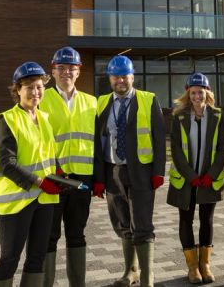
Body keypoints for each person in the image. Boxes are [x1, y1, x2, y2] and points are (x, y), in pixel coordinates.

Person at [93, 55, 167, 287]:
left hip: (142, 172)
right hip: (112, 171)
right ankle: (131, 271)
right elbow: (96, 141)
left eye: (125, 76)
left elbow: (158, 137)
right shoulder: (101, 103)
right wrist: (98, 177)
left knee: (142, 225)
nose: (120, 81)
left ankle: (147, 278)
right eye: (116, 76)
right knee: (122, 223)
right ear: (110, 79)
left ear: (132, 77)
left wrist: (158, 171)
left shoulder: (148, 99)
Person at [0, 62, 64, 287]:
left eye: (39, 87)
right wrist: (40, 182)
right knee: (10, 257)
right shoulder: (7, 120)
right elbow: (6, 163)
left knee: (37, 257)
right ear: (18, 90)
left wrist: (60, 173)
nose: (35, 92)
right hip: (17, 201)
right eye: (29, 87)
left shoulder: (45, 119)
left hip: (45, 199)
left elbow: (49, 154)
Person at [38, 47, 97, 286]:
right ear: (52, 71)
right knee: (49, 236)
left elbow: (99, 144)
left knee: (76, 234)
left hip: (82, 180)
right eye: (61, 67)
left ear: (78, 72)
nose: (66, 72)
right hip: (52, 180)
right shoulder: (41, 99)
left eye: (71, 68)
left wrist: (98, 178)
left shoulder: (91, 102)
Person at [167, 73, 224, 284]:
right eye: (193, 92)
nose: (197, 96)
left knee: (206, 221)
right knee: (185, 221)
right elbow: (175, 149)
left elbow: (222, 148)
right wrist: (191, 176)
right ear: (188, 94)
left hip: (209, 180)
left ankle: (205, 265)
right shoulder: (179, 116)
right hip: (186, 180)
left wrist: (211, 175)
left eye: (200, 92)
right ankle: (192, 268)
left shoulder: (218, 116)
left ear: (207, 93)